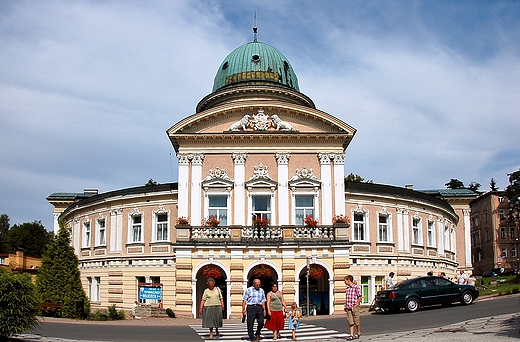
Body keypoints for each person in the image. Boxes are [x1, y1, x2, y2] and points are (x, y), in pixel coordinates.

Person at [344, 275, 362, 340]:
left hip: (354, 306)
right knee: (350, 322)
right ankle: (351, 335)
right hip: (348, 307)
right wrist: (345, 306)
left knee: (356, 321)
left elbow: (359, 296)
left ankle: (358, 332)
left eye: (345, 280)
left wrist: (357, 304)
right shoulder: (347, 289)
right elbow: (347, 298)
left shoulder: (355, 287)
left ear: (348, 280)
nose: (344, 282)